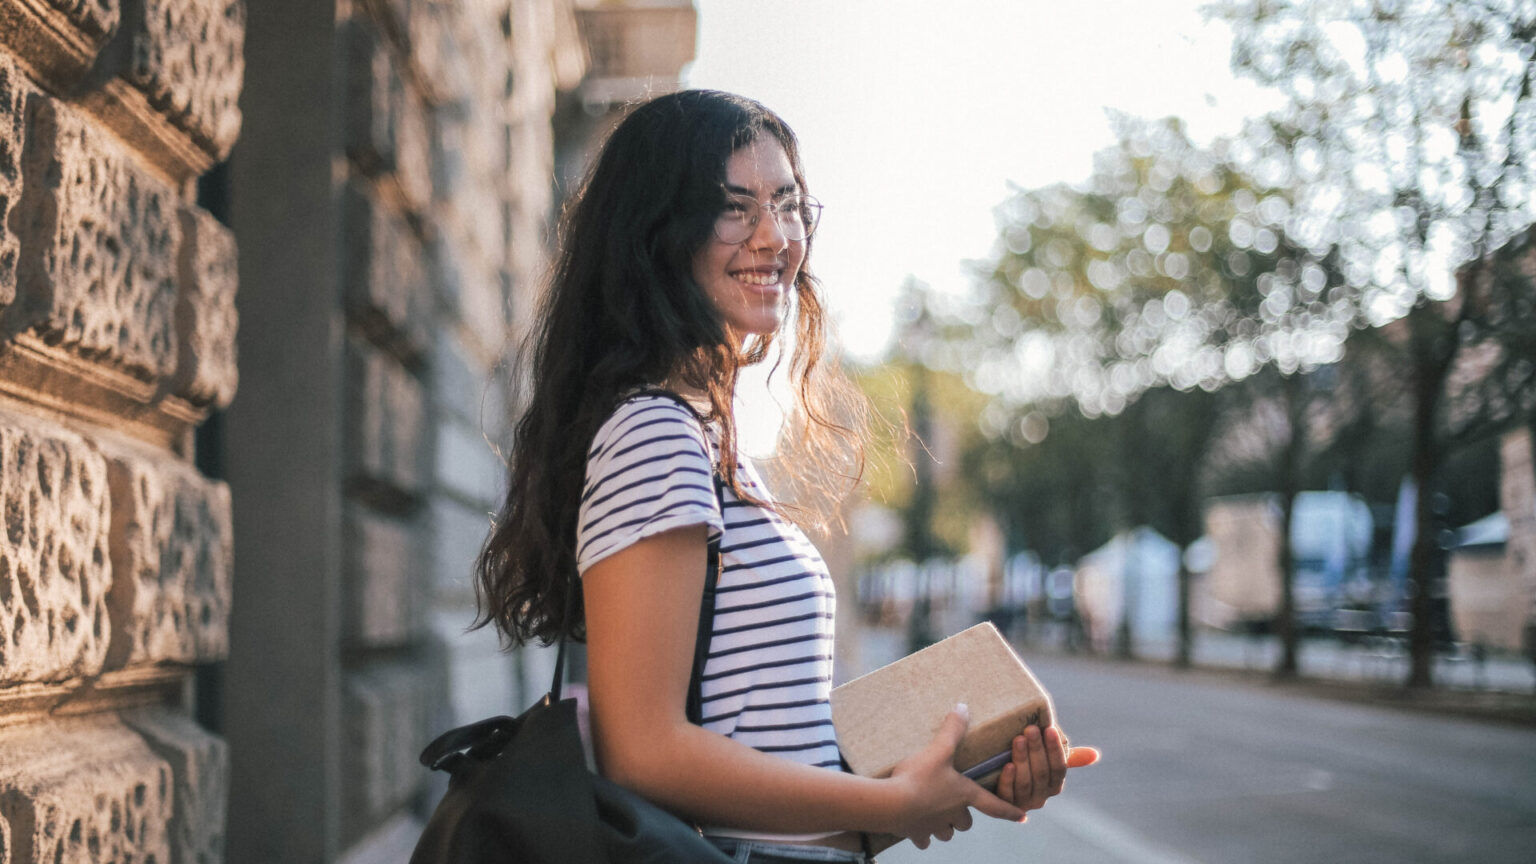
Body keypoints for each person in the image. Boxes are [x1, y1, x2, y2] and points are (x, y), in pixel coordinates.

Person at [474, 89, 1098, 863]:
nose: (774, 237)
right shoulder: (655, 434)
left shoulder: (708, 442)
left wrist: (957, 773)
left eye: (788, 204)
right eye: (733, 208)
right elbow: (647, 750)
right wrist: (889, 802)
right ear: (655, 235)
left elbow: (763, 744)